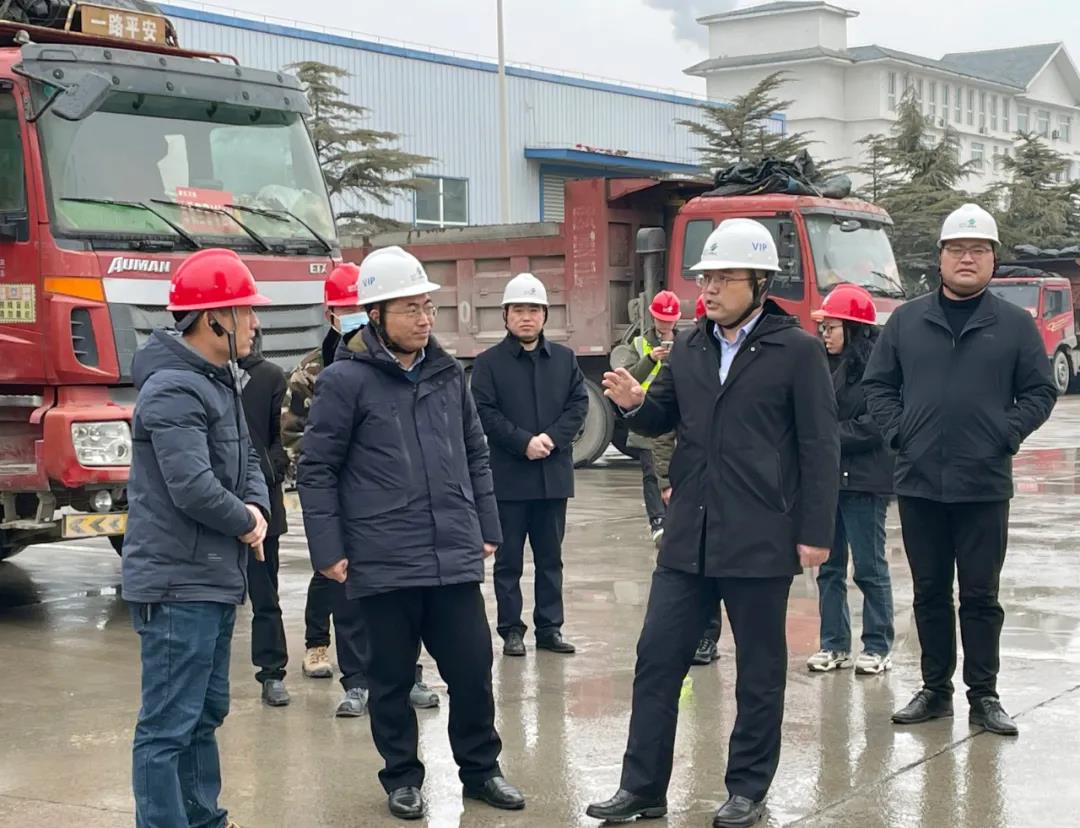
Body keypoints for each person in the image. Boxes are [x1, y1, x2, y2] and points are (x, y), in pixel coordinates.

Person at [589, 219, 839, 828]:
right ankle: (642, 788)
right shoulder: (691, 347)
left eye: (725, 278)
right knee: (657, 659)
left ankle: (747, 788)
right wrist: (634, 405)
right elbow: (663, 417)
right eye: (706, 278)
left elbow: (820, 445)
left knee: (759, 671)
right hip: (689, 533)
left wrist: (815, 531)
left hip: (761, 534)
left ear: (760, 282)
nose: (710, 289)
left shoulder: (797, 351)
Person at [298, 246, 525, 820]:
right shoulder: (344, 381)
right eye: (410, 309)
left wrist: (487, 525)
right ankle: (402, 777)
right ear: (375, 315)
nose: (425, 319)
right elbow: (317, 469)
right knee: (391, 680)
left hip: (452, 554)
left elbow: (475, 452)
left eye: (428, 307)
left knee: (472, 672)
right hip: (382, 558)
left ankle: (481, 771)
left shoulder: (449, 375)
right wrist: (328, 549)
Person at [864, 203, 1056, 736]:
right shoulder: (907, 321)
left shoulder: (1014, 326)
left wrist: (1005, 433)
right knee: (929, 593)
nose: (966, 258)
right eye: (957, 249)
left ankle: (985, 695)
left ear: (993, 259)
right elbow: (878, 386)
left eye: (978, 250)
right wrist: (900, 432)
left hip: (983, 484)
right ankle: (935, 690)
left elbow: (1040, 391)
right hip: (920, 483)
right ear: (941, 257)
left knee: (980, 596)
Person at [122, 248, 271, 828]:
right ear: (214, 319)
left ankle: (203, 818)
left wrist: (257, 506)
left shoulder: (221, 382)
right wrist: (246, 522)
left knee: (205, 713)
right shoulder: (173, 389)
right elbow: (192, 487)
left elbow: (249, 461)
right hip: (176, 583)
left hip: (211, 577)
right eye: (246, 311)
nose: (254, 321)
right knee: (168, 724)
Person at [282, 262, 439, 716]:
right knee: (347, 597)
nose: (354, 315)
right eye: (345, 308)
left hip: (392, 504)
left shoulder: (403, 365)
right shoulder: (311, 372)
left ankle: (410, 675)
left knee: (405, 596)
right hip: (343, 505)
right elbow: (294, 438)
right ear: (330, 313)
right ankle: (356, 682)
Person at [470, 272, 589, 657]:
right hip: (509, 479)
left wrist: (551, 439)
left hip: (553, 478)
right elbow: (485, 413)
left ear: (545, 315)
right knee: (508, 563)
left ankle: (550, 628)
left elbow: (579, 405)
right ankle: (511, 630)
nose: (526, 317)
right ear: (505, 315)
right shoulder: (488, 364)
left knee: (551, 559)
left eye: (534, 310)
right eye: (519, 310)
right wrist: (523, 442)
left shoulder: (565, 360)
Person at [806, 284, 895, 676]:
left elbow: (874, 426)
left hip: (864, 483)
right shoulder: (820, 368)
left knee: (869, 568)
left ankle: (877, 646)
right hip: (828, 484)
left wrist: (825, 436)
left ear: (854, 328)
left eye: (831, 327)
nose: (824, 334)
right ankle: (834, 644)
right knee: (828, 568)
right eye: (822, 328)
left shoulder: (878, 371)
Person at [239, 330, 293, 706]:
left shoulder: (271, 377)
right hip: (213, 503)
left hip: (262, 504)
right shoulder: (204, 378)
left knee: (265, 596)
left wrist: (263, 476)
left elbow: (283, 438)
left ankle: (272, 673)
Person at [620, 289, 681, 545]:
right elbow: (627, 377)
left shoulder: (687, 344)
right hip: (647, 419)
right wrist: (650, 359)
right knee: (651, 472)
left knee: (676, 472)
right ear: (652, 316)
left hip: (676, 421)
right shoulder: (639, 344)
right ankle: (658, 522)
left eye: (669, 320)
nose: (665, 325)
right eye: (661, 319)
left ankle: (676, 521)